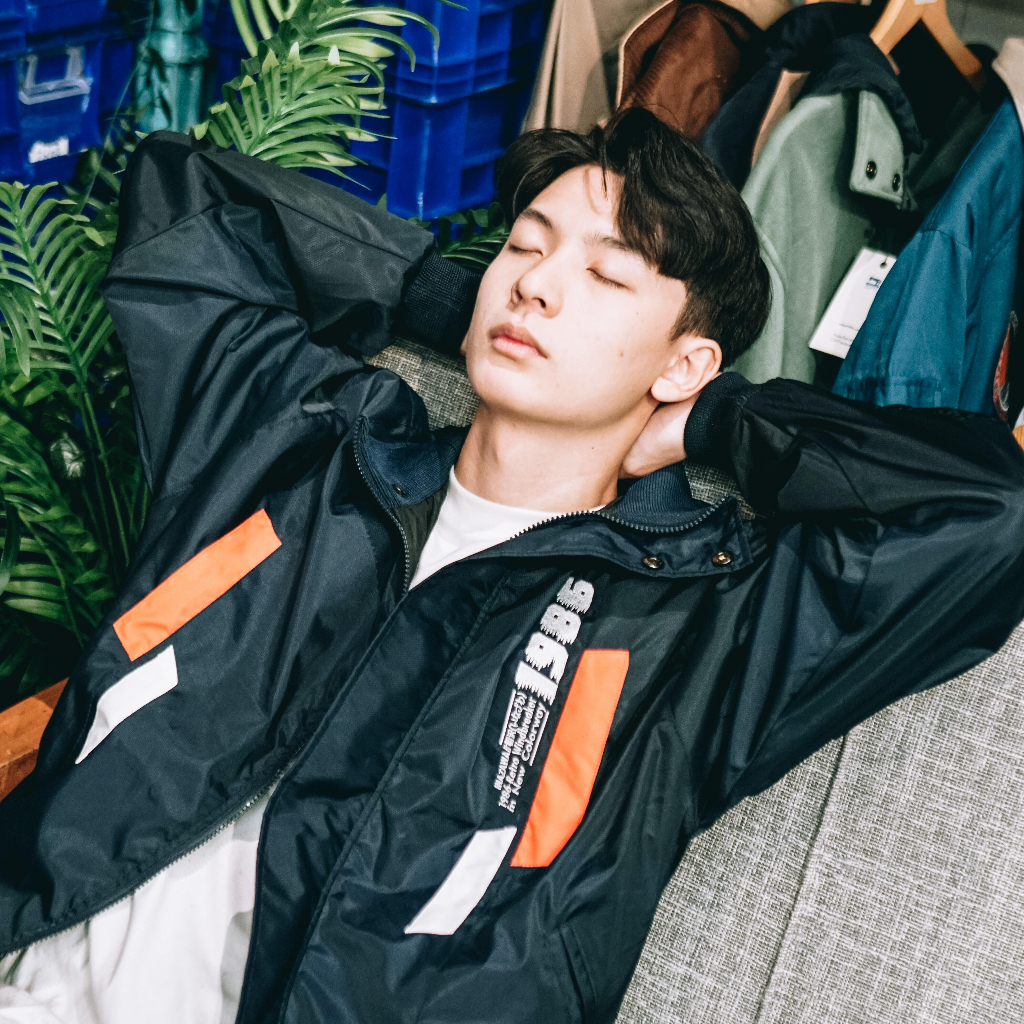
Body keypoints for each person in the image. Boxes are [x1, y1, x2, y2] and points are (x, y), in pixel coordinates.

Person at [1, 108, 1023, 1024]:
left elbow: (992, 513)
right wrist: (443, 296)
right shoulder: (304, 445)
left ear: (684, 362)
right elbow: (187, 192)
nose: (535, 283)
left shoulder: (696, 631)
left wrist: (718, 420)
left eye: (605, 277)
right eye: (524, 248)